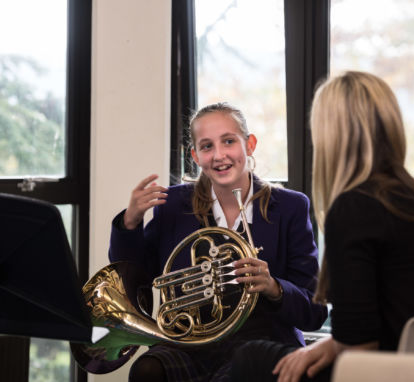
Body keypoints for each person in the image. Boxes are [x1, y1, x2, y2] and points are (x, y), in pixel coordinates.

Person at [230, 71, 414, 382]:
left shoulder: (355, 208)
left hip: (390, 371)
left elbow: (361, 350)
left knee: (250, 358)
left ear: (330, 137)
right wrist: (331, 345)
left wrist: (335, 346)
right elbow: (395, 316)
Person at [108, 102, 328, 381]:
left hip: (263, 340)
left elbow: (315, 310)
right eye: (207, 146)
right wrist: (130, 222)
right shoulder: (174, 204)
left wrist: (274, 287)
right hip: (192, 342)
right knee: (148, 370)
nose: (219, 155)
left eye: (228, 141)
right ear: (195, 156)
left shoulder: (290, 207)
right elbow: (134, 279)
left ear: (250, 144)